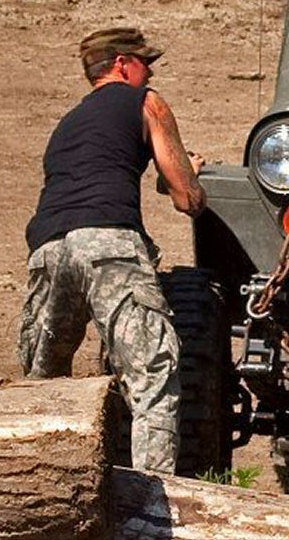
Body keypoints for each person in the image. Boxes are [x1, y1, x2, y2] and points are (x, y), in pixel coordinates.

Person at [18, 26, 206, 474]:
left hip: (47, 249)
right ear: (123, 64)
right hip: (108, 243)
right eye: (147, 63)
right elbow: (187, 199)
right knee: (152, 377)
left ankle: (43, 490)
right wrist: (191, 171)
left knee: (42, 386)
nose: (151, 72)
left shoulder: (68, 123)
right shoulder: (147, 102)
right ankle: (151, 505)